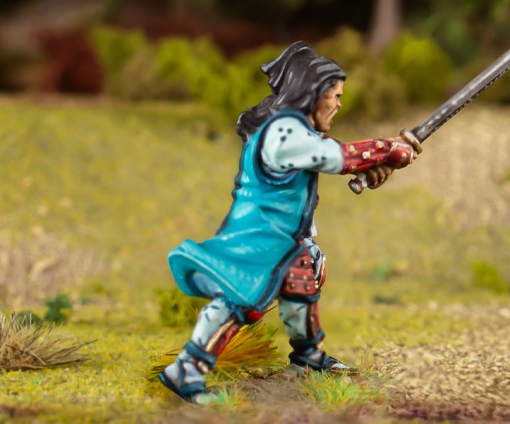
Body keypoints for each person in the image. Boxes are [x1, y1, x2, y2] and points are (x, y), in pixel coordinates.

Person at [159, 41, 417, 404]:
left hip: (283, 240)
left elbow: (335, 154)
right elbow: (334, 156)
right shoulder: (282, 132)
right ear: (312, 95)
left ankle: (308, 358)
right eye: (335, 97)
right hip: (258, 236)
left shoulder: (297, 130)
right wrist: (386, 150)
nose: (339, 105)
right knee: (241, 300)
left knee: (302, 283)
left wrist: (377, 160)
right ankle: (185, 369)